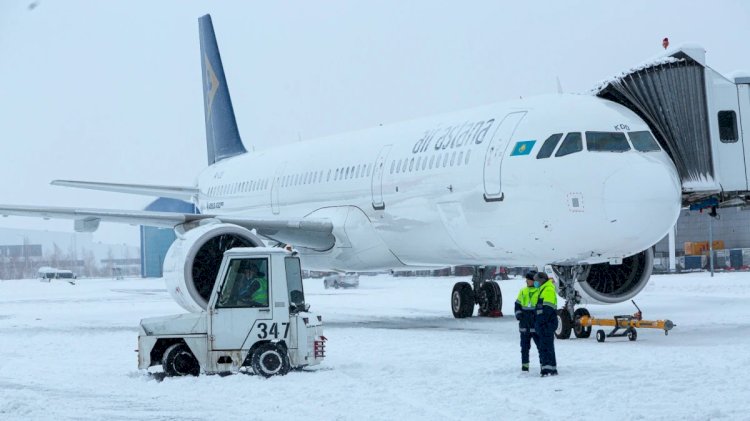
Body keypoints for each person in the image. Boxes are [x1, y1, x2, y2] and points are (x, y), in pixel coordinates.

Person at [532, 272, 558, 376]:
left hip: (546, 324)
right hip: (544, 323)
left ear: (541, 280)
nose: (535, 283)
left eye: (536, 280)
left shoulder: (547, 290)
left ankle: (548, 369)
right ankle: (549, 368)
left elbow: (547, 309)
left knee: (546, 347)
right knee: (546, 346)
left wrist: (541, 322)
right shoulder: (542, 289)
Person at [515, 271, 539, 372]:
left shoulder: (539, 291)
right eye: (527, 279)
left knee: (541, 347)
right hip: (524, 325)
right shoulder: (523, 291)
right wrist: (519, 315)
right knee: (524, 348)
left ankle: (543, 365)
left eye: (528, 279)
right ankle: (525, 367)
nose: (527, 281)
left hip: (535, 325)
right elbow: (517, 305)